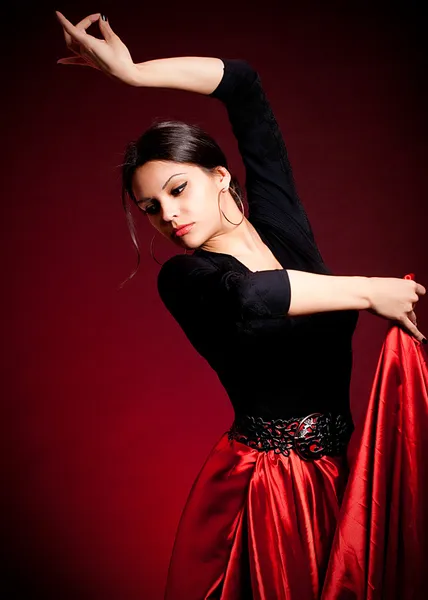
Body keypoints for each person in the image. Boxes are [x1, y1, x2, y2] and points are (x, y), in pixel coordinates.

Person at [55, 12, 427, 599]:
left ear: (221, 177)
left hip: (334, 476)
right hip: (267, 491)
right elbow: (257, 298)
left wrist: (131, 73)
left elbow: (243, 85)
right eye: (151, 208)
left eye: (178, 189)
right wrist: (370, 288)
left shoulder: (283, 227)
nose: (169, 215)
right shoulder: (186, 278)